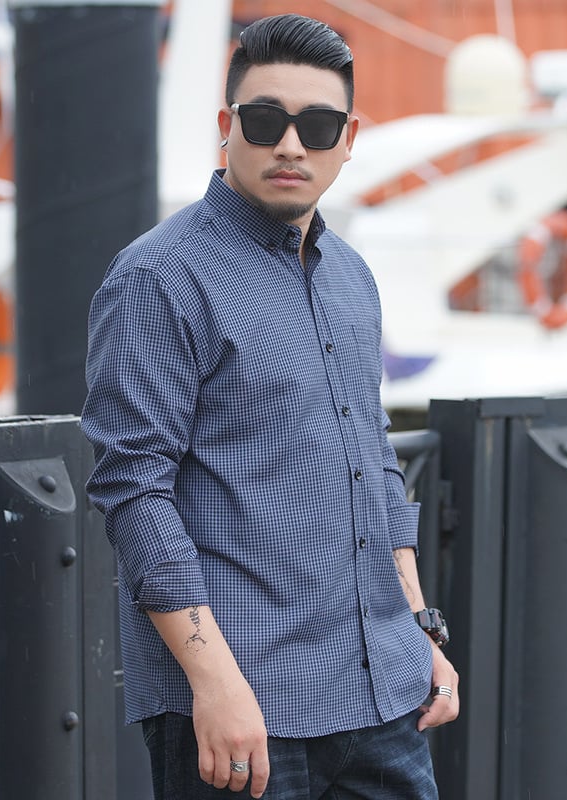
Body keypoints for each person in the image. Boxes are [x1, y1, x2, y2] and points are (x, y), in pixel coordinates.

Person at [82, 13, 459, 800]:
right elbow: (134, 491)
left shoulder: (352, 276)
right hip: (243, 707)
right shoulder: (158, 277)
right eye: (265, 120)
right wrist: (213, 684)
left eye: (317, 126)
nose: (291, 145)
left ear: (348, 139)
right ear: (227, 126)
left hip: (383, 695)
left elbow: (375, 463)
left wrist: (419, 627)